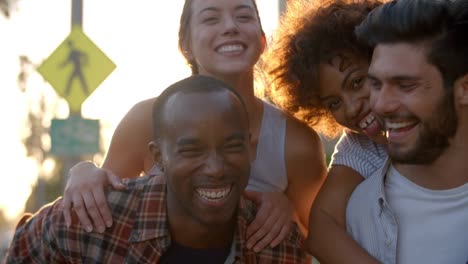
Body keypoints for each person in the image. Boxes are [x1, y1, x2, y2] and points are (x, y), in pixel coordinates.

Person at [61, 0, 326, 253]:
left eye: (243, 16)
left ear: (262, 40)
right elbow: (103, 219)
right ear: (185, 44)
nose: (230, 26)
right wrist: (84, 172)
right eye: (211, 18)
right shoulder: (145, 120)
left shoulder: (296, 141)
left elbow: (318, 241)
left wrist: (287, 210)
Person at [5, 75, 310, 263]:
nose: (216, 168)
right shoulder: (90, 222)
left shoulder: (278, 249)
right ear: (159, 157)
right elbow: (22, 250)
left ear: (249, 148)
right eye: (192, 150)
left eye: (231, 147)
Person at [261, 0, 384, 262]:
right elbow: (321, 230)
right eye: (334, 103)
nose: (351, 108)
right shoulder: (359, 146)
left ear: (383, 56)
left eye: (357, 81)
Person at [345, 0, 468, 263]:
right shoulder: (363, 215)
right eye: (375, 84)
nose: (380, 105)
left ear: (464, 89)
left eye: (405, 85)